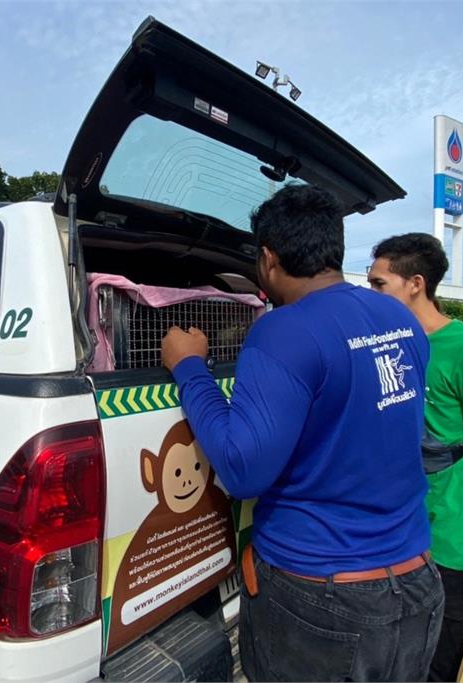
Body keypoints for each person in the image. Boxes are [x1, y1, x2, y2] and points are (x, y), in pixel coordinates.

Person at [160, 184, 444, 682]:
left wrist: (189, 368)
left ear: (268, 259)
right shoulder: (399, 318)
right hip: (417, 580)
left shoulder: (284, 330)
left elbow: (243, 468)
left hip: (323, 598)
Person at [369, 233, 463, 682]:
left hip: (455, 541)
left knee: (445, 660)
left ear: (415, 283)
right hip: (399, 533)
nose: (372, 294)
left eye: (380, 284)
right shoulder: (387, 346)